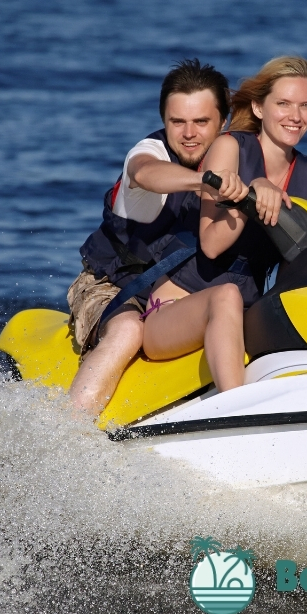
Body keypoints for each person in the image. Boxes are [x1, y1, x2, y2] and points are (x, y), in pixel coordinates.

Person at [133, 55, 307, 395]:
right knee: (226, 295)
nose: (296, 117)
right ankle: (235, 406)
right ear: (259, 107)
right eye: (283, 104)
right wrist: (250, 199)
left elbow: (294, 272)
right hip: (176, 309)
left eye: (305, 105)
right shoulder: (229, 147)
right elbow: (211, 244)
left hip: (243, 311)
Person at [67, 59, 247, 413]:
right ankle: (63, 435)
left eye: (201, 122)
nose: (189, 133)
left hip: (180, 293)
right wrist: (207, 182)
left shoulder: (236, 155)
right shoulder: (149, 153)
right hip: (111, 286)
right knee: (129, 331)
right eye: (177, 122)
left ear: (223, 122)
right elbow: (146, 174)